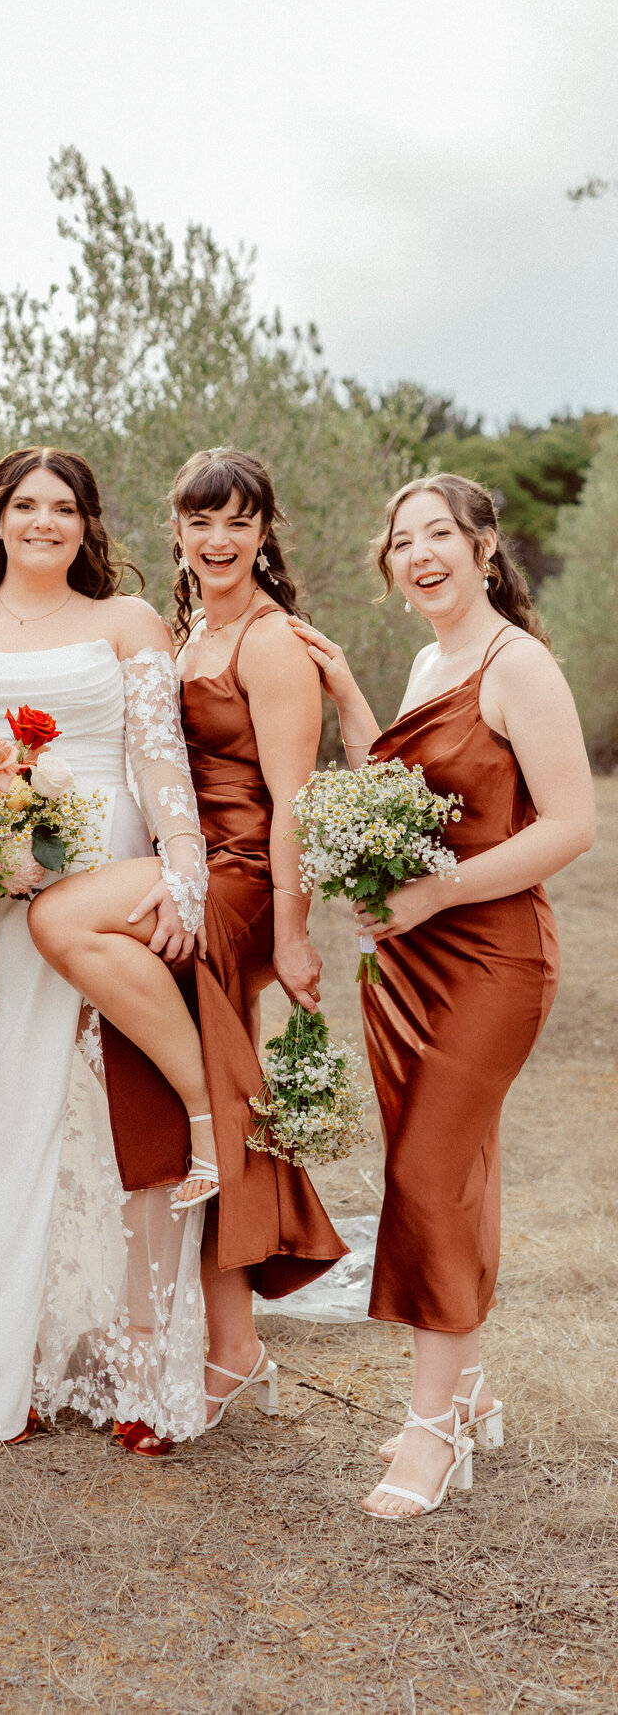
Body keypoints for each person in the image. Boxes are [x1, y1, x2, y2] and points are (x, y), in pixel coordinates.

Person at [0, 447, 209, 1452]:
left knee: (86, 1124)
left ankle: (99, 1347)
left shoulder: (127, 622)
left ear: (88, 524)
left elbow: (158, 761)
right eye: (27, 504)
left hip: (89, 895)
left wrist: (183, 866)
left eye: (65, 507)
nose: (45, 521)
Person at [290, 472, 594, 1519]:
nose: (418, 554)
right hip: (409, 957)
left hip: (493, 959)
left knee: (427, 1173)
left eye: (438, 535)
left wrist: (440, 892)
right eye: (401, 540)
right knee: (446, 1169)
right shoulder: (430, 660)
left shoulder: (520, 666)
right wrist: (348, 701)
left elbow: (571, 826)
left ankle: (431, 1429)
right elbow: (412, 793)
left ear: (483, 546)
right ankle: (467, 1389)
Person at [30, 448, 345, 1435]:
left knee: (61, 918)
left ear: (264, 533)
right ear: (177, 530)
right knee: (154, 1089)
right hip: (184, 872)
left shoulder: (270, 642)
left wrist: (290, 933)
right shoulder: (185, 634)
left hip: (239, 881)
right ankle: (230, 1348)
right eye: (201, 521)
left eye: (238, 522)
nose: (218, 539)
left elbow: (295, 803)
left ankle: (216, 1110)